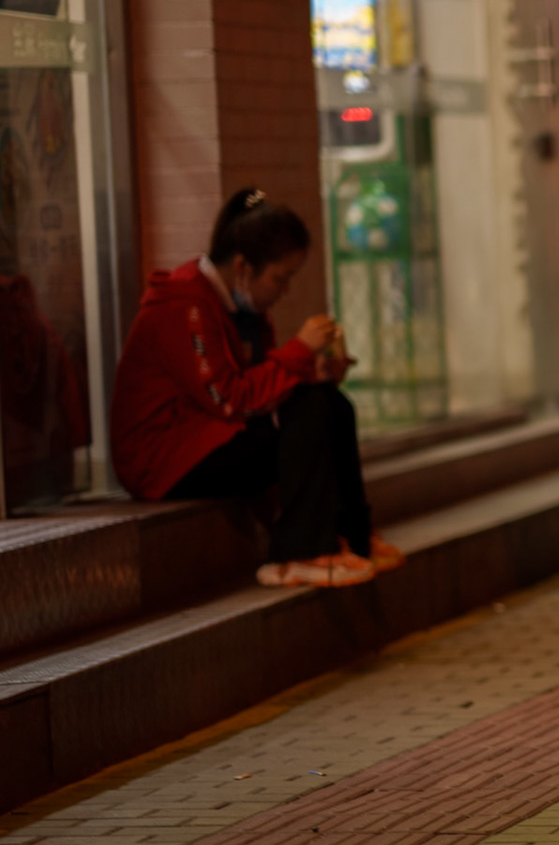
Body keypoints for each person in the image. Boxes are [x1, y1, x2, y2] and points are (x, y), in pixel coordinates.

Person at [110, 188, 402, 587]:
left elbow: (258, 388)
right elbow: (231, 400)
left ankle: (353, 538)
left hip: (208, 436)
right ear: (244, 267)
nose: (285, 292)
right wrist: (298, 354)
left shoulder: (244, 311)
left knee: (331, 404)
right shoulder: (185, 307)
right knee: (309, 411)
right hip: (165, 458)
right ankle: (297, 553)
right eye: (281, 278)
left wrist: (312, 371)